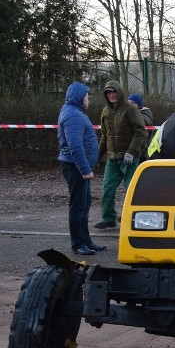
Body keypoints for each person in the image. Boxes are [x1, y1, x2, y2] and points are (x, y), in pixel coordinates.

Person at [57, 82, 105, 255]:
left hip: (78, 166)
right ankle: (77, 244)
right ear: (79, 97)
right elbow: (75, 146)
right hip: (75, 167)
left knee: (84, 204)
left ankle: (86, 240)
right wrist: (85, 170)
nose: (88, 99)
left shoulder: (75, 112)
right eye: (86, 96)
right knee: (78, 205)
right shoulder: (73, 115)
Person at [94, 81, 147, 230]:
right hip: (112, 159)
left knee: (131, 190)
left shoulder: (130, 109)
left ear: (119, 92)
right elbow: (105, 136)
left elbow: (140, 131)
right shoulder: (105, 111)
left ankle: (133, 218)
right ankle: (109, 219)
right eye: (108, 92)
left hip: (129, 159)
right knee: (107, 190)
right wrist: (97, 156)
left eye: (114, 92)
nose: (111, 95)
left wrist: (131, 152)